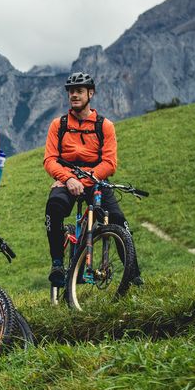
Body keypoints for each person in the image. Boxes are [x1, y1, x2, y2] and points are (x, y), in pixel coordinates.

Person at [42, 71, 142, 287]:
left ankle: (134, 276)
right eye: (71, 92)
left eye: (79, 91)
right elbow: (50, 160)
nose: (74, 95)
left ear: (90, 93)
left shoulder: (104, 125)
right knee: (54, 206)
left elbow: (110, 163)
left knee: (118, 219)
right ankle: (57, 263)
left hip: (95, 180)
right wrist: (68, 179)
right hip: (66, 179)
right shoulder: (57, 125)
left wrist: (84, 181)